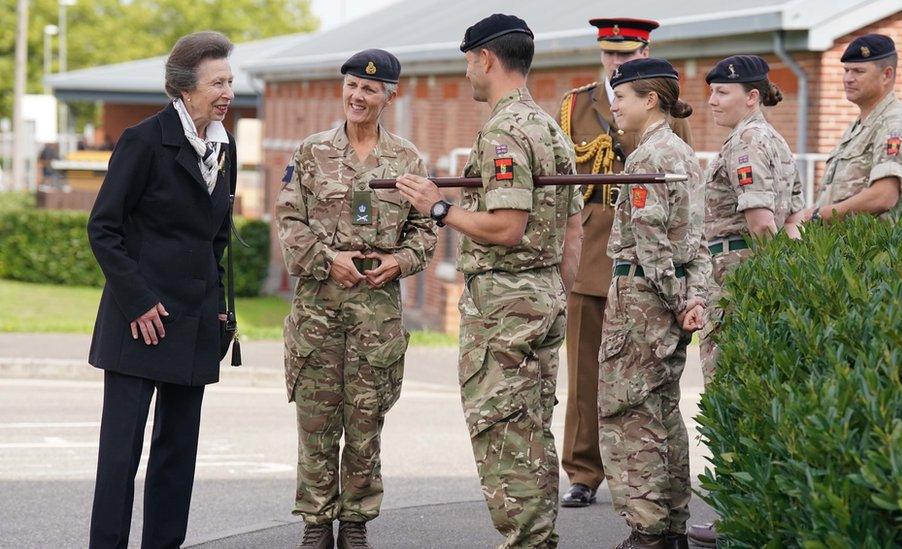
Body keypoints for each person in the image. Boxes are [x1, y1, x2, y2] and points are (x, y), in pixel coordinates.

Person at [395, 14, 583, 548]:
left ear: (486, 59)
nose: (469, 72)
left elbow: (506, 225)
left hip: (505, 304)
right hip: (542, 293)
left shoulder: (505, 132)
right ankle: (538, 539)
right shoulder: (549, 127)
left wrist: (437, 208)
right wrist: (557, 295)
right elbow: (573, 228)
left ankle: (526, 541)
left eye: (469, 61)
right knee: (532, 432)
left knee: (504, 435)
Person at [275, 49, 437, 549]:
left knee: (366, 421)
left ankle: (356, 523)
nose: (357, 96)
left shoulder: (407, 160)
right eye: (350, 86)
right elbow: (288, 223)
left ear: (391, 95)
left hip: (376, 316)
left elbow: (425, 231)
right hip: (318, 313)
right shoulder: (311, 151)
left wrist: (401, 262)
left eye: (369, 89)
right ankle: (316, 522)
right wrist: (329, 260)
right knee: (316, 420)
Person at [86, 31, 237, 548]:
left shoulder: (224, 147)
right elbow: (103, 228)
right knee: (119, 459)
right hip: (139, 322)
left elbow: (214, 239)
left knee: (176, 460)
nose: (228, 92)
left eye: (230, 81)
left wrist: (216, 307)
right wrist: (137, 300)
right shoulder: (143, 140)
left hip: (193, 323)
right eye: (217, 82)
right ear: (184, 89)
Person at [557, 16, 693, 509]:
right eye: (610, 54)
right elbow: (560, 174)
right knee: (584, 365)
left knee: (643, 371)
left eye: (626, 55)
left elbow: (675, 184)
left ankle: (641, 475)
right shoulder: (576, 104)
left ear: (644, 53)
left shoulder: (662, 98)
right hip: (594, 240)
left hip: (644, 243)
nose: (616, 63)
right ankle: (583, 469)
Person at [686, 54, 805, 548]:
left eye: (723, 92)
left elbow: (761, 223)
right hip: (755, 281)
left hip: (734, 282)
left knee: (729, 398)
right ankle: (759, 511)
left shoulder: (746, 143)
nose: (712, 100)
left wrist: (761, 280)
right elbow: (796, 223)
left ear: (752, 96)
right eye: (711, 91)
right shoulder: (777, 142)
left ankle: (735, 516)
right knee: (756, 395)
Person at [599, 57, 709, 549]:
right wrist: (693, 301)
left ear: (650, 99)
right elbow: (699, 242)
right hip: (669, 300)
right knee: (665, 413)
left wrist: (675, 299)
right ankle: (671, 527)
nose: (614, 105)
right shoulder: (684, 155)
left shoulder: (647, 160)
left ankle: (647, 532)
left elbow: (651, 245)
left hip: (642, 299)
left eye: (621, 97)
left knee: (631, 414)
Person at [791, 33, 902, 224]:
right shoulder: (861, 125)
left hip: (877, 251)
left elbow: (883, 196)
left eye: (858, 71)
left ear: (886, 75)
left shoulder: (894, 125)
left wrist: (817, 215)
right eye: (846, 70)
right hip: (849, 250)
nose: (848, 78)